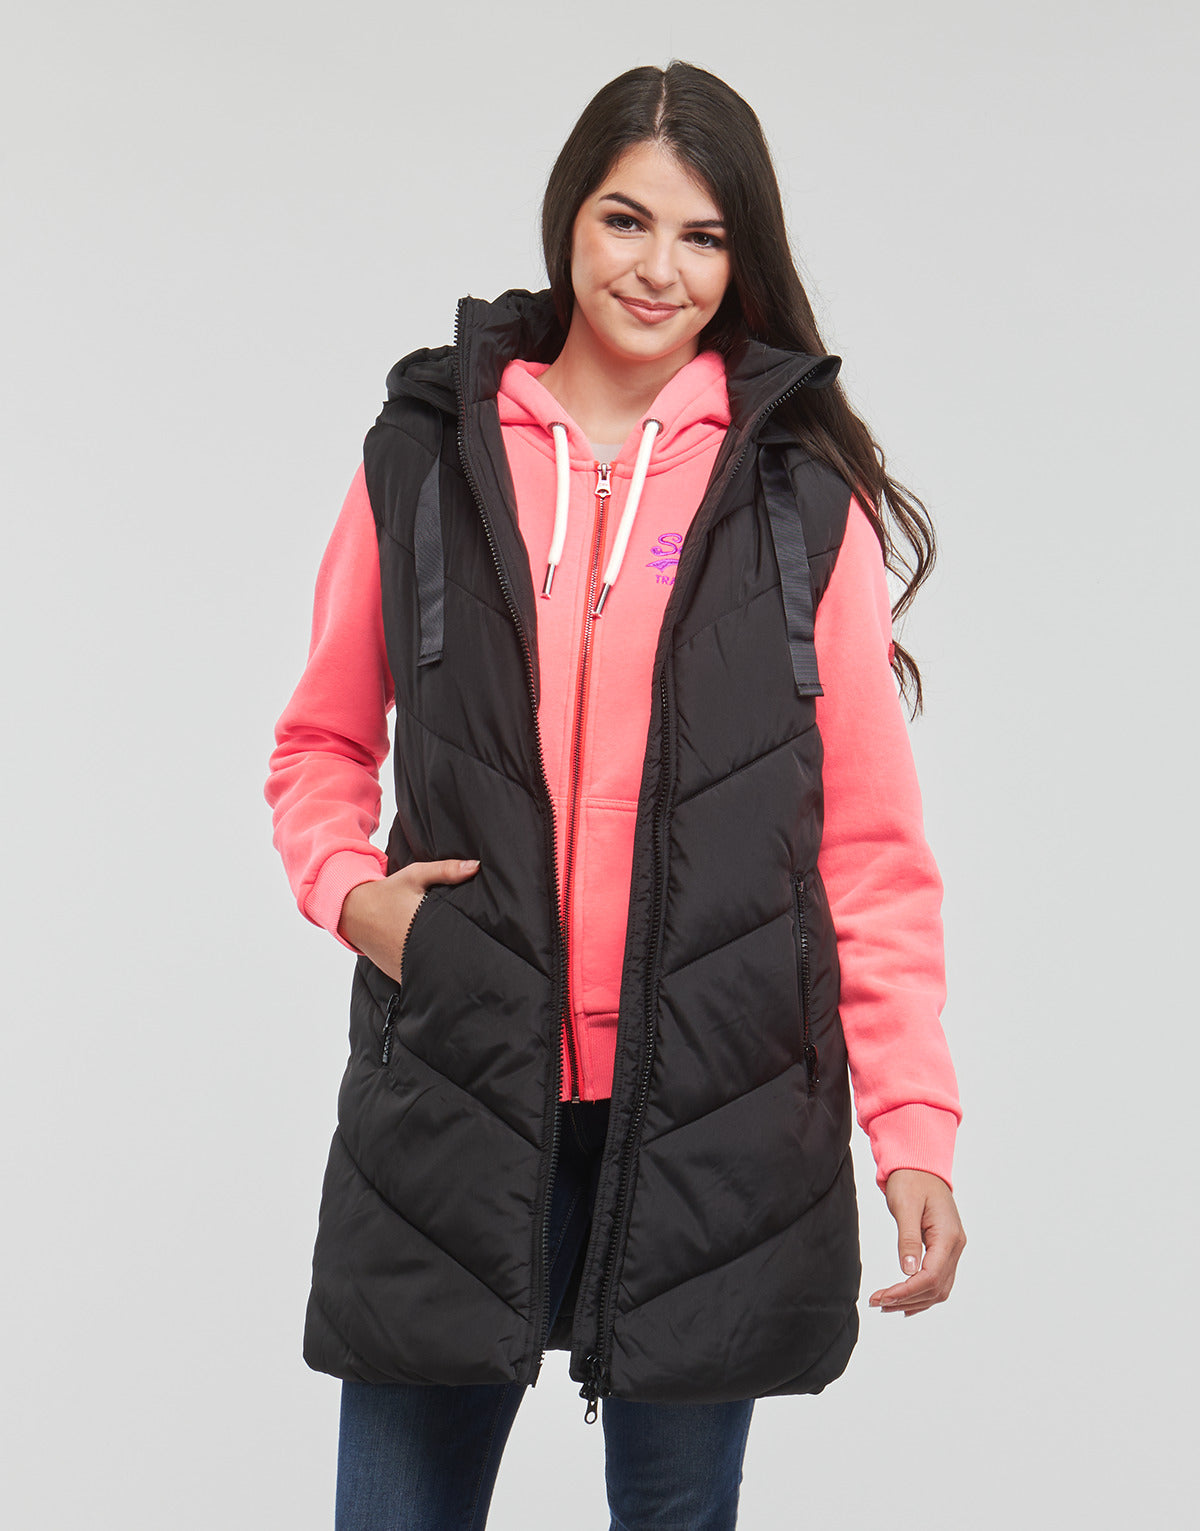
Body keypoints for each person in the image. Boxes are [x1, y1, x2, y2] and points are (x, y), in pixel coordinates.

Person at [265, 58, 966, 1531]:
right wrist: (354, 896)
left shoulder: (796, 498)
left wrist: (911, 1128)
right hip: (457, 1080)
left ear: (743, 254)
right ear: (567, 221)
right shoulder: (428, 458)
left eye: (703, 236)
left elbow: (868, 848)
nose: (660, 270)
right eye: (626, 221)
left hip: (718, 1106)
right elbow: (320, 742)